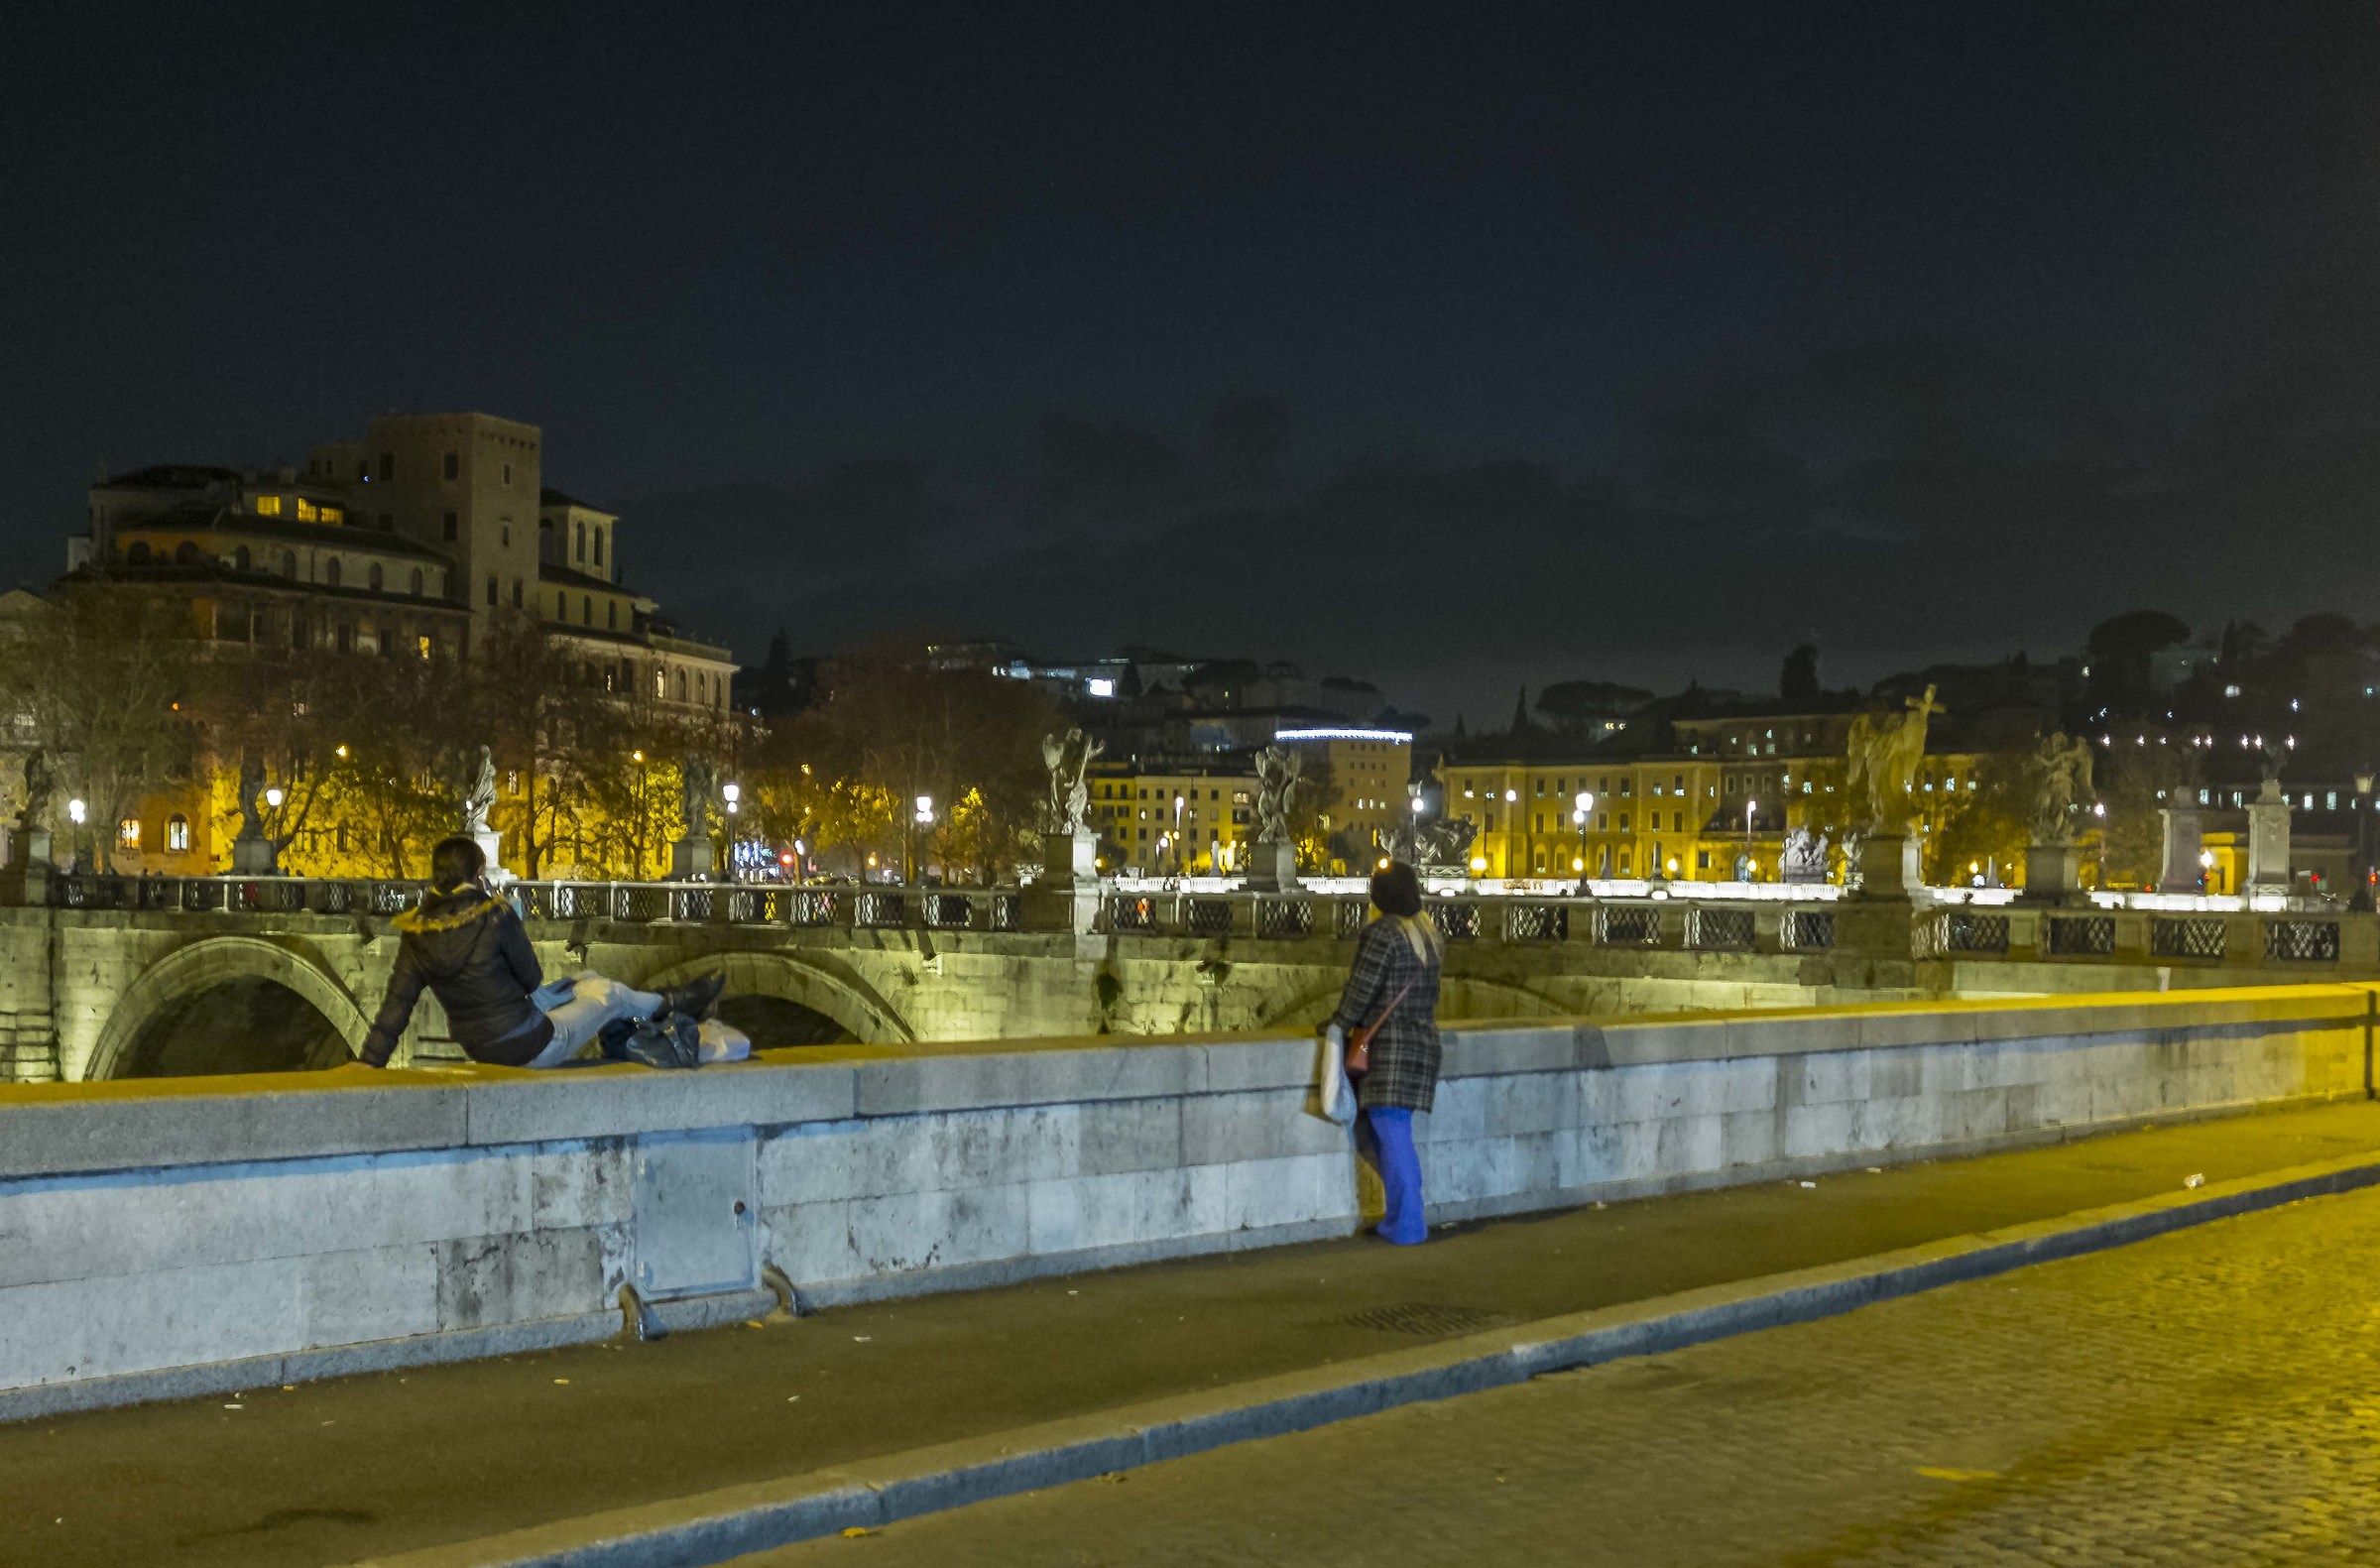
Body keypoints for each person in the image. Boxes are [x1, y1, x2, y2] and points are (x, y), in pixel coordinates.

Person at [354, 836, 722, 1069]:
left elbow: (397, 1004)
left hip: (480, 1048)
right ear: (480, 872)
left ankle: (651, 1018)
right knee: (608, 994)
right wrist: (510, 919)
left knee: (588, 979)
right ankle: (674, 1002)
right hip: (531, 1045)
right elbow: (531, 978)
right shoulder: (494, 915)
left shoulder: (418, 932)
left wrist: (370, 1062)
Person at [1328, 860, 1443, 1245]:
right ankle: (1402, 1218)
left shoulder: (1383, 934)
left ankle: (1408, 1224)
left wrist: (1338, 1024)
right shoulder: (1428, 933)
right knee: (1395, 1132)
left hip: (1390, 1048)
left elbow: (1362, 989)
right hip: (1423, 1042)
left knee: (1392, 1134)